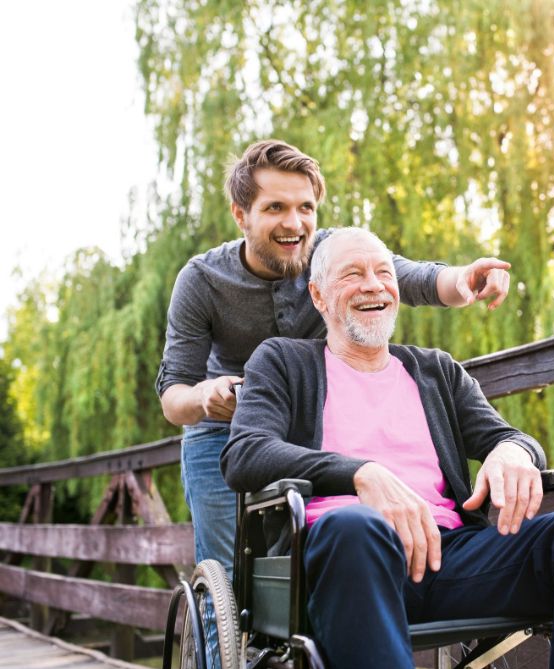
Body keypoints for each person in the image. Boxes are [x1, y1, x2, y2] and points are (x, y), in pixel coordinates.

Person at [221, 227, 554, 669]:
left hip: (452, 554)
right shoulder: (283, 361)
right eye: (353, 274)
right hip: (344, 556)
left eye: (384, 273)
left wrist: (514, 452)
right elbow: (246, 453)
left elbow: (508, 436)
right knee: (355, 526)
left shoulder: (435, 370)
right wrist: (361, 474)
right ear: (320, 297)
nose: (373, 284)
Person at [156, 139, 513, 579]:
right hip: (223, 434)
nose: (294, 223)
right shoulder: (202, 280)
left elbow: (416, 278)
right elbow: (173, 399)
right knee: (230, 576)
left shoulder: (332, 256)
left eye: (306, 208)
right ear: (240, 214)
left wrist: (467, 279)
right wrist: (206, 396)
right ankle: (229, 645)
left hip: (307, 423)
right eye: (275, 208)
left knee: (313, 560)